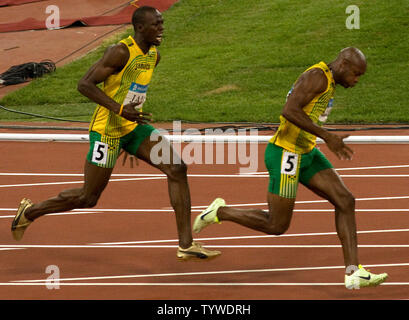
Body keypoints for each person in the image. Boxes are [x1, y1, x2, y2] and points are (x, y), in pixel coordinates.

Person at [11, 6, 220, 261]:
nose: (162, 28)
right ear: (140, 27)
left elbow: (134, 93)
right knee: (88, 197)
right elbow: (84, 85)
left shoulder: (154, 55)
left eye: (162, 23)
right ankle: (29, 212)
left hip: (133, 128)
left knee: (176, 168)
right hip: (107, 131)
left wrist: (136, 141)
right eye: (157, 24)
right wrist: (120, 110)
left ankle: (186, 244)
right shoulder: (120, 51)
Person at [193, 47, 388, 288]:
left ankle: (353, 272)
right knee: (277, 225)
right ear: (344, 64)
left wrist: (319, 138)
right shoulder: (317, 77)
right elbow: (289, 110)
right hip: (286, 153)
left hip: (306, 152)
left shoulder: (329, 81)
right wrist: (327, 136)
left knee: (345, 200)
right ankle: (220, 212)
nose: (357, 81)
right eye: (356, 74)